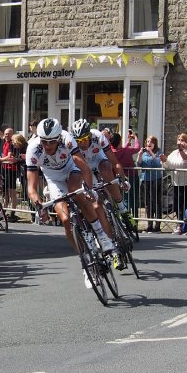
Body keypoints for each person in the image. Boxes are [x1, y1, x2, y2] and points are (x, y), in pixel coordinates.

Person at [25, 119, 116, 288]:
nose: (48, 145)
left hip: (71, 169)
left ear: (59, 137)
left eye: (52, 141)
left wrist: (88, 189)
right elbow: (31, 187)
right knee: (65, 220)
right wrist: (38, 204)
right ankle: (86, 263)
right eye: (44, 141)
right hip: (53, 178)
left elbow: (85, 168)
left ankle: (102, 236)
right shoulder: (33, 149)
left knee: (77, 192)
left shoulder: (67, 139)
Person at [68, 119, 133, 228]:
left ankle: (121, 206)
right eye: (78, 141)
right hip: (85, 165)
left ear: (89, 135)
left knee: (107, 169)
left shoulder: (98, 136)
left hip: (99, 158)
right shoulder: (71, 143)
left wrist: (123, 179)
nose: (82, 143)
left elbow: (114, 162)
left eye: (84, 139)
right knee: (92, 196)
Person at [160, 133, 187, 234]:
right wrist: (164, 161)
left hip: (186, 183)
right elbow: (168, 166)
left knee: (184, 206)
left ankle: (185, 226)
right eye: (179, 140)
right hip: (176, 182)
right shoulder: (174, 153)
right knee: (176, 205)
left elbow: (183, 164)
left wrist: (167, 161)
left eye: (183, 140)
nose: (180, 142)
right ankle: (179, 225)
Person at [137, 136, 164, 233]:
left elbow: (158, 163)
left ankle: (157, 226)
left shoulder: (158, 152)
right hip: (145, 179)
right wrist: (140, 155)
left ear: (155, 143)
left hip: (156, 179)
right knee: (148, 203)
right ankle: (149, 225)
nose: (149, 143)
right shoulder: (143, 153)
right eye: (148, 141)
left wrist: (152, 153)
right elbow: (139, 164)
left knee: (156, 202)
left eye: (151, 142)